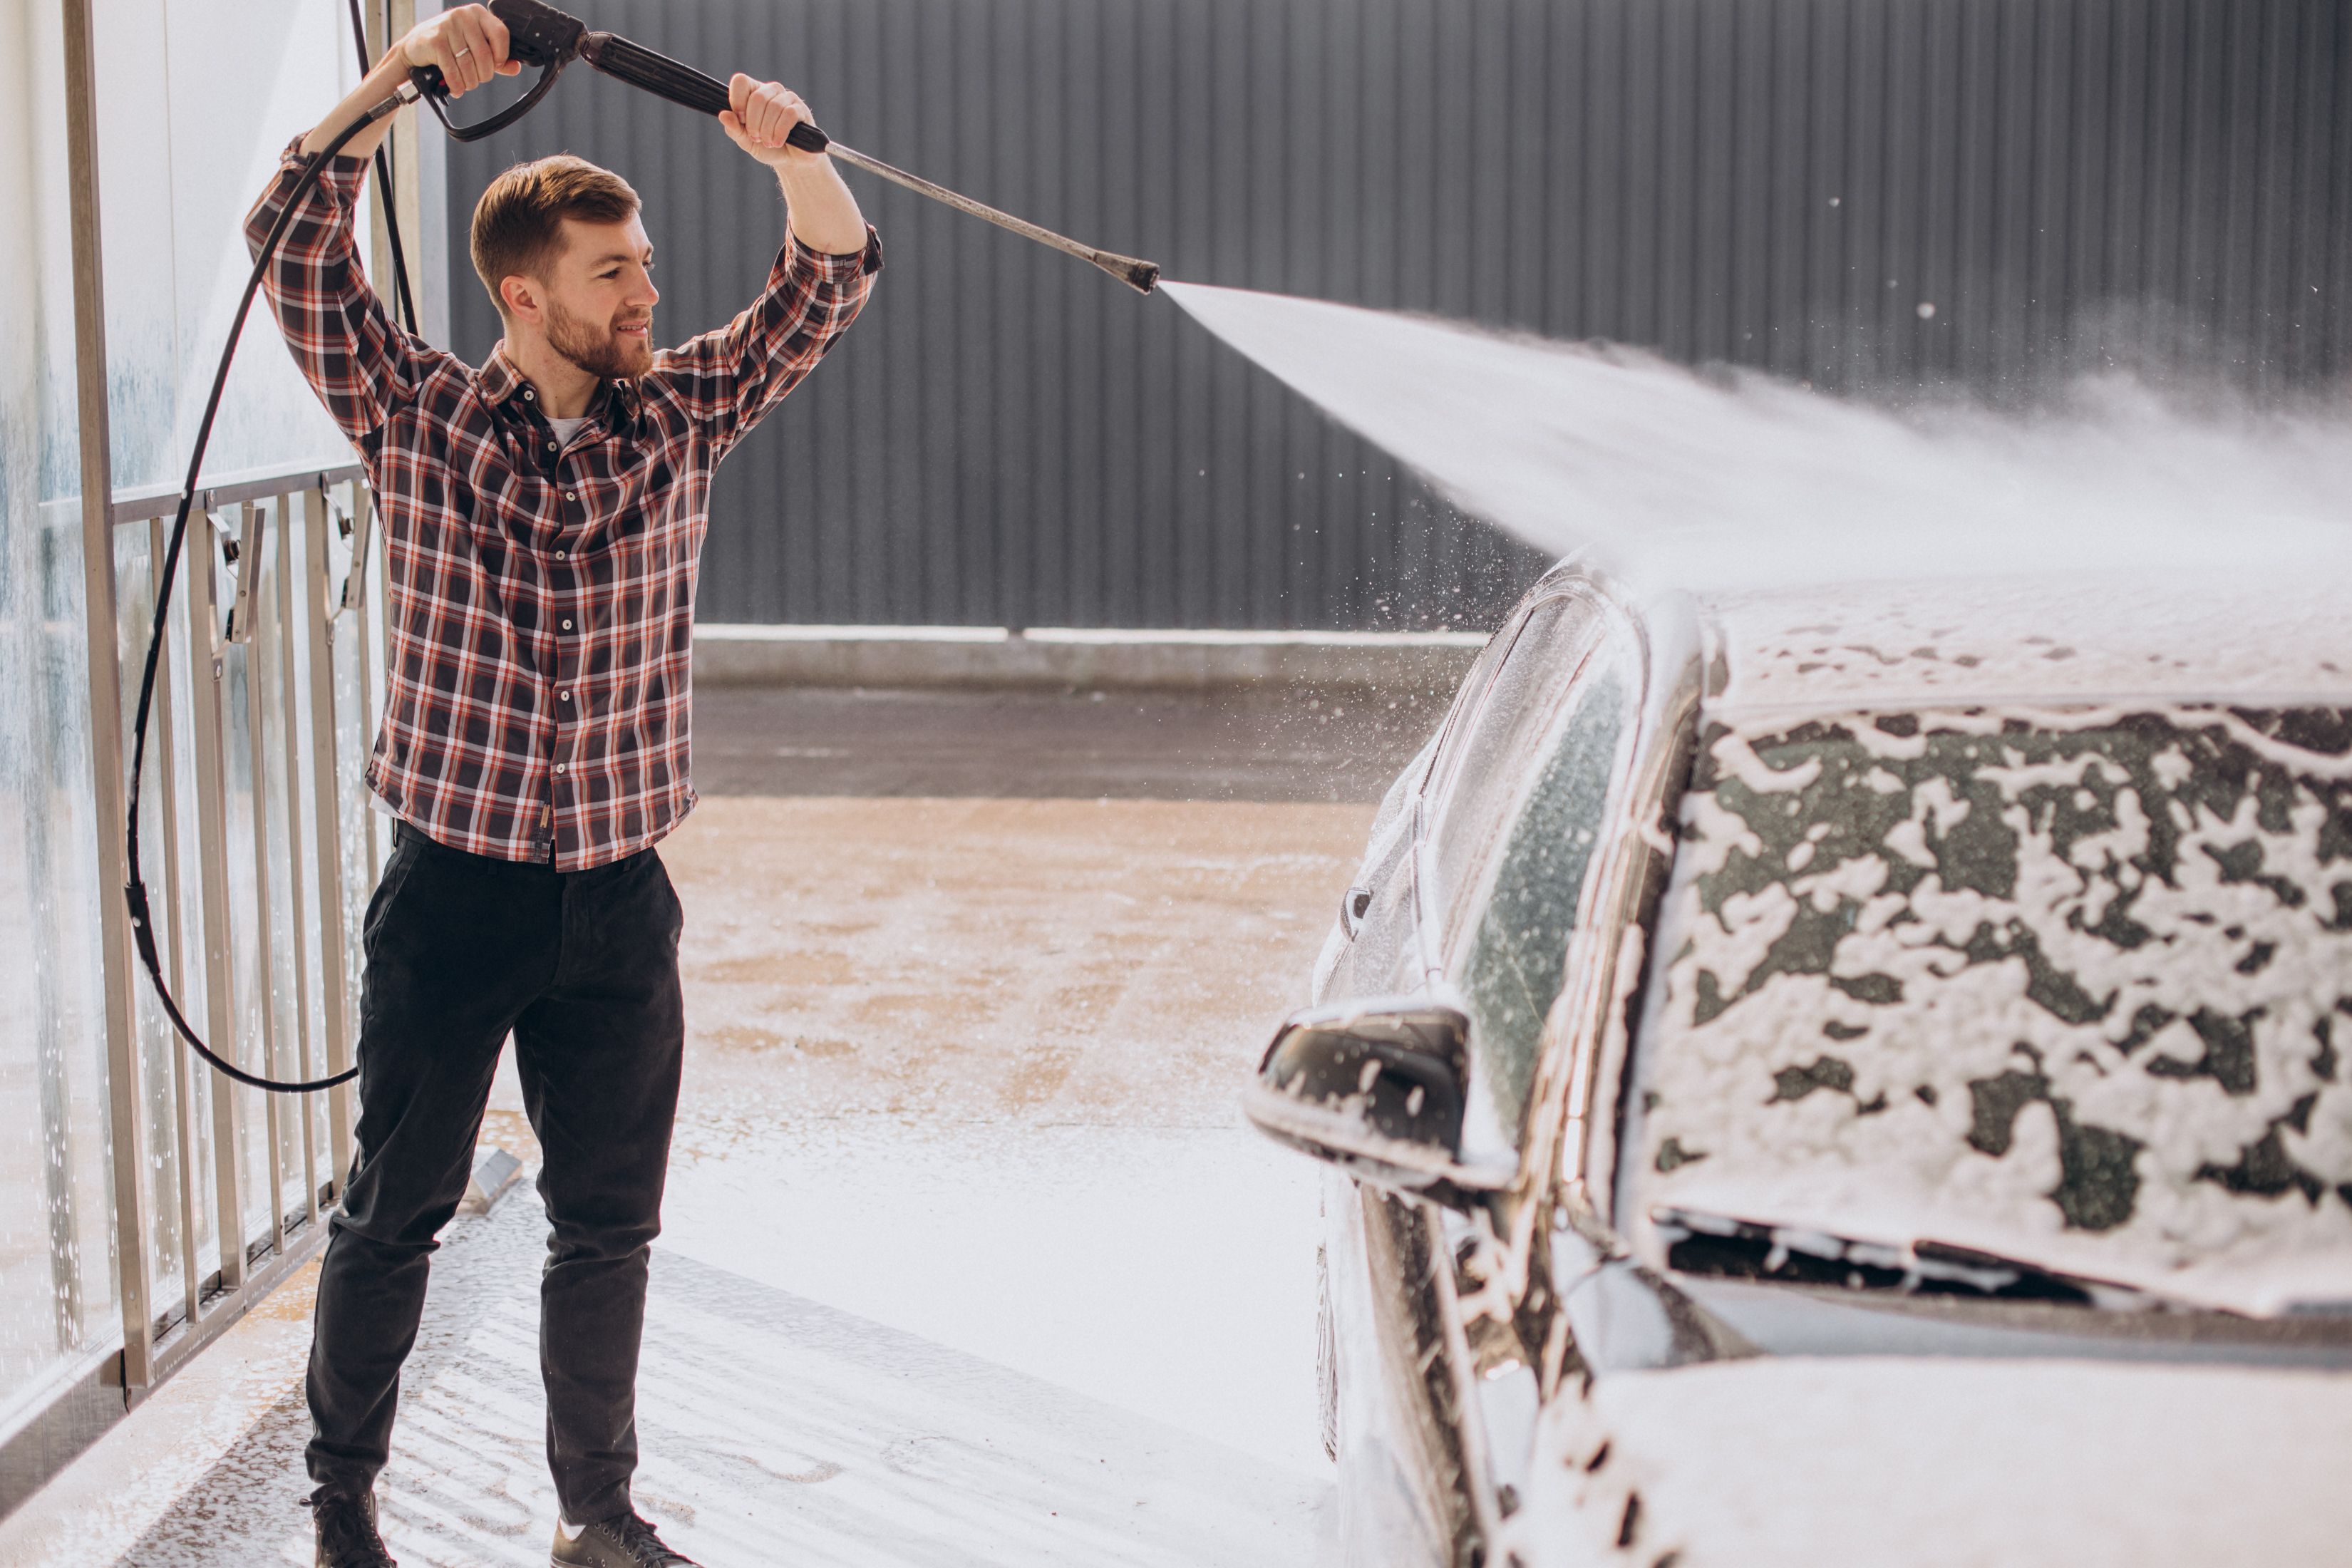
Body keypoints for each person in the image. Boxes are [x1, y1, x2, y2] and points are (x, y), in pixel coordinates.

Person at [244, 7, 878, 1565]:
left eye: (648, 264)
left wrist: (792, 154)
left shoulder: (681, 416)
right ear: (525, 297)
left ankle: (598, 1512)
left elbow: (830, 281)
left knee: (609, 1230)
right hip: (454, 892)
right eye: (617, 274)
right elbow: (290, 228)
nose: (650, 291)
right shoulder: (418, 414)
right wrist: (405, 77)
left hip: (616, 902)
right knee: (393, 1215)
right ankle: (342, 1504)